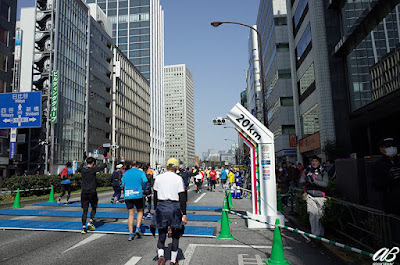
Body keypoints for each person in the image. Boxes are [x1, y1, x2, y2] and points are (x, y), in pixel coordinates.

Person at [151, 158, 187, 265]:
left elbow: (155, 196)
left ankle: (161, 255)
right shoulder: (178, 178)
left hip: (161, 206)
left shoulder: (158, 178)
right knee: (175, 234)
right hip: (174, 207)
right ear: (176, 168)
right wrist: (184, 213)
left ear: (166, 167)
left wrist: (156, 209)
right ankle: (173, 260)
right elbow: (182, 197)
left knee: (162, 232)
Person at [299, 156, 329, 237]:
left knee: (320, 216)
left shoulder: (323, 171)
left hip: (321, 196)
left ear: (319, 162)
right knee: (312, 215)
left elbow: (325, 184)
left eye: (316, 161)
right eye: (312, 161)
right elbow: (301, 181)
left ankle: (321, 234)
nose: (314, 163)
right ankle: (315, 235)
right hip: (310, 196)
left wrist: (314, 181)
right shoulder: (306, 170)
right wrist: (306, 180)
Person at [78, 157, 107, 234]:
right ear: (93, 163)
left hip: (84, 192)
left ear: (86, 162)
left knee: (85, 210)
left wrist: (83, 159)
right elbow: (104, 166)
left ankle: (84, 227)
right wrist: (105, 158)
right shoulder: (93, 169)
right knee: (94, 207)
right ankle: (90, 220)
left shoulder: (83, 170)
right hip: (92, 192)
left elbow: (79, 167)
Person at [372, 137, 400, 215]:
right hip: (392, 205)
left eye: (393, 145)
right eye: (388, 146)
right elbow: (376, 185)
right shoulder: (378, 165)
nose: (391, 148)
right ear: (381, 149)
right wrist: (389, 178)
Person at [121, 161, 148, 241]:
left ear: (130, 166)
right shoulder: (141, 172)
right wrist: (143, 187)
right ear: (137, 166)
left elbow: (122, 182)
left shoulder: (126, 173)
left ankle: (130, 233)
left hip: (128, 194)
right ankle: (138, 228)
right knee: (140, 211)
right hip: (138, 194)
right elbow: (145, 180)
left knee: (130, 214)